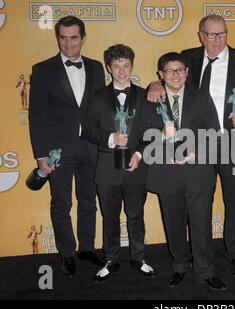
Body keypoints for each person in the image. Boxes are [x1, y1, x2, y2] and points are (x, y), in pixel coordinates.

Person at [148, 14, 235, 277]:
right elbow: (168, 73)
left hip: (234, 140)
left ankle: (234, 251)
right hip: (195, 144)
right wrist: (155, 83)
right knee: (197, 200)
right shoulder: (188, 57)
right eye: (211, 34)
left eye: (222, 33)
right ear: (201, 35)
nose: (217, 39)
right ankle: (192, 255)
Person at [28, 16, 105, 277]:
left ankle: (86, 248)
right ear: (57, 38)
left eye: (74, 37)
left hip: (91, 148)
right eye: (63, 37)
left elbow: (101, 108)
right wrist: (41, 154)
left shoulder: (96, 68)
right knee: (61, 203)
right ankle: (67, 253)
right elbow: (37, 115)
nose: (69, 43)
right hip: (57, 151)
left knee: (88, 202)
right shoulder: (43, 70)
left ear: (83, 38)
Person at [144, 52, 225, 290]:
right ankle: (179, 266)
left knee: (201, 223)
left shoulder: (201, 97)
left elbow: (214, 131)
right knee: (174, 223)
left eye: (180, 70)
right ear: (160, 75)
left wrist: (196, 153)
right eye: (169, 71)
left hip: (197, 170)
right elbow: (141, 135)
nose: (175, 75)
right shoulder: (150, 99)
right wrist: (159, 135)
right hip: (166, 172)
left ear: (187, 73)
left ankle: (205, 271)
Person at [82, 44, 156, 282]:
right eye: (116, 66)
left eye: (126, 66)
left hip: (136, 167)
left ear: (132, 66)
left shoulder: (145, 95)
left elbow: (150, 131)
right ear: (108, 68)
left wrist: (139, 154)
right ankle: (111, 258)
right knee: (110, 216)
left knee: (136, 215)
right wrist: (111, 138)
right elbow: (88, 131)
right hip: (106, 168)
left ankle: (139, 257)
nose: (122, 71)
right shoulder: (97, 97)